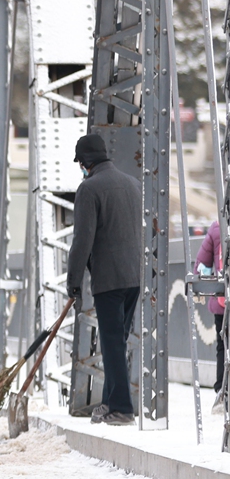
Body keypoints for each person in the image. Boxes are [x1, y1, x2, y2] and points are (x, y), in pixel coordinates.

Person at [66, 134, 142, 426]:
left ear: (85, 162)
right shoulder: (133, 184)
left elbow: (82, 240)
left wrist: (74, 281)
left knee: (111, 342)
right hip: (133, 276)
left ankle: (122, 408)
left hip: (109, 279)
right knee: (117, 341)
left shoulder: (89, 189)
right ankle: (111, 402)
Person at [195, 219, 225, 413]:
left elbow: (202, 265)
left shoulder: (216, 228)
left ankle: (222, 393)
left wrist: (202, 287)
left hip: (223, 301)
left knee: (223, 346)